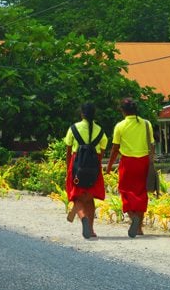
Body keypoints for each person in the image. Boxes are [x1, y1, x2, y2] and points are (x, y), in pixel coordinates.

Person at [106, 97, 155, 238]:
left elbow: (115, 148)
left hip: (127, 163)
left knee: (125, 191)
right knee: (141, 193)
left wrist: (109, 166)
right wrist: (150, 160)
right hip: (143, 162)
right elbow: (151, 145)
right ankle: (139, 228)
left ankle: (134, 219)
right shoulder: (146, 124)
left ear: (122, 111)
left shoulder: (120, 126)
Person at [64, 102, 108, 239]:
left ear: (82, 113)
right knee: (89, 198)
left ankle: (83, 217)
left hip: (77, 165)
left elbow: (69, 150)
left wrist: (68, 169)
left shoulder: (73, 128)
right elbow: (102, 150)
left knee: (77, 196)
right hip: (93, 167)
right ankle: (91, 229)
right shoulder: (100, 130)